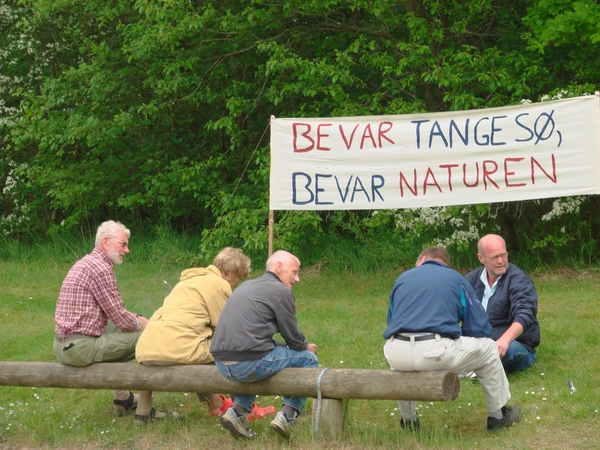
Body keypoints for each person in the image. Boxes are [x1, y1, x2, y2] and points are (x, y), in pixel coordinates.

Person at [383, 247, 520, 431]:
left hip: (396, 351)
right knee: (488, 347)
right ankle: (498, 416)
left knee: (400, 364)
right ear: (445, 264)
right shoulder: (455, 278)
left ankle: (409, 421)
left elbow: (391, 320)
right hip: (435, 351)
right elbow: (479, 326)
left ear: (422, 259)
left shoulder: (402, 278)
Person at [135, 247, 274, 424]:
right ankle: (244, 410)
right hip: (176, 348)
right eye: (238, 280)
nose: (235, 285)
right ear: (230, 274)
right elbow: (227, 331)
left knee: (193, 348)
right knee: (232, 353)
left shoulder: (188, 281)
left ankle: (143, 412)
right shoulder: (219, 284)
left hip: (147, 347)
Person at [53, 220, 176, 421]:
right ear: (106, 242)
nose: (127, 250)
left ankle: (123, 399)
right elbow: (121, 318)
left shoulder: (87, 262)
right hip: (77, 348)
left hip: (64, 344)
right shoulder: (101, 268)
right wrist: (151, 326)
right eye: (123, 244)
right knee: (149, 338)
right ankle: (145, 413)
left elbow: (116, 317)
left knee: (129, 328)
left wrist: (137, 318)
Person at [210, 250, 319, 439]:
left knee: (261, 361)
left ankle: (236, 413)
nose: (297, 279)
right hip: (248, 362)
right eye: (294, 272)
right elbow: (292, 337)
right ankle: (288, 416)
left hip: (221, 363)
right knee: (309, 359)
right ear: (278, 267)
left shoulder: (245, 286)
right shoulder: (281, 292)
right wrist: (304, 346)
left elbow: (254, 338)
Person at [464, 234, 540, 373]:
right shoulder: (470, 280)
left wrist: (505, 340)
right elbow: (453, 308)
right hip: (477, 343)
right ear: (481, 258)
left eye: (503, 255)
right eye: (494, 257)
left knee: (510, 350)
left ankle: (472, 367)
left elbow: (525, 313)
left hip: (514, 344)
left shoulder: (519, 280)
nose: (500, 261)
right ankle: (474, 365)